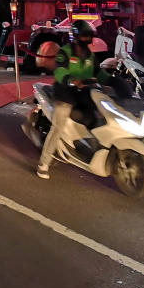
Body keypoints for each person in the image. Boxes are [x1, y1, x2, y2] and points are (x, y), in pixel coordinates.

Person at [35, 20, 110, 180]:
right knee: (58, 128)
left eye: (89, 36)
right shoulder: (65, 52)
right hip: (65, 95)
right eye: (84, 36)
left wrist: (114, 81)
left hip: (84, 95)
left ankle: (92, 153)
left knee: (98, 119)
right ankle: (43, 163)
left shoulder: (90, 56)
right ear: (76, 37)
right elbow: (60, 70)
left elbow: (99, 72)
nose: (87, 39)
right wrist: (71, 80)